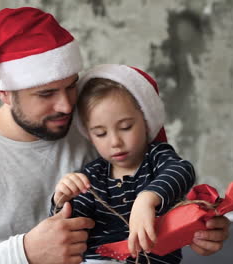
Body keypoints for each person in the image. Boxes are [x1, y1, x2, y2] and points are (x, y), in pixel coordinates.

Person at [0, 7, 229, 264]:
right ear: (4, 93)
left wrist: (195, 224)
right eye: (46, 94)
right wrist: (25, 252)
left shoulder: (94, 129)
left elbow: (149, 184)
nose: (67, 105)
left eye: (70, 85)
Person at [52, 64, 195, 263]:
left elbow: (182, 171)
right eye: (100, 133)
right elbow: (71, 225)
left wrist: (148, 198)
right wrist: (62, 199)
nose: (115, 142)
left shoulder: (157, 158)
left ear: (146, 121)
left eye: (126, 127)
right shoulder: (91, 177)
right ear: (89, 136)